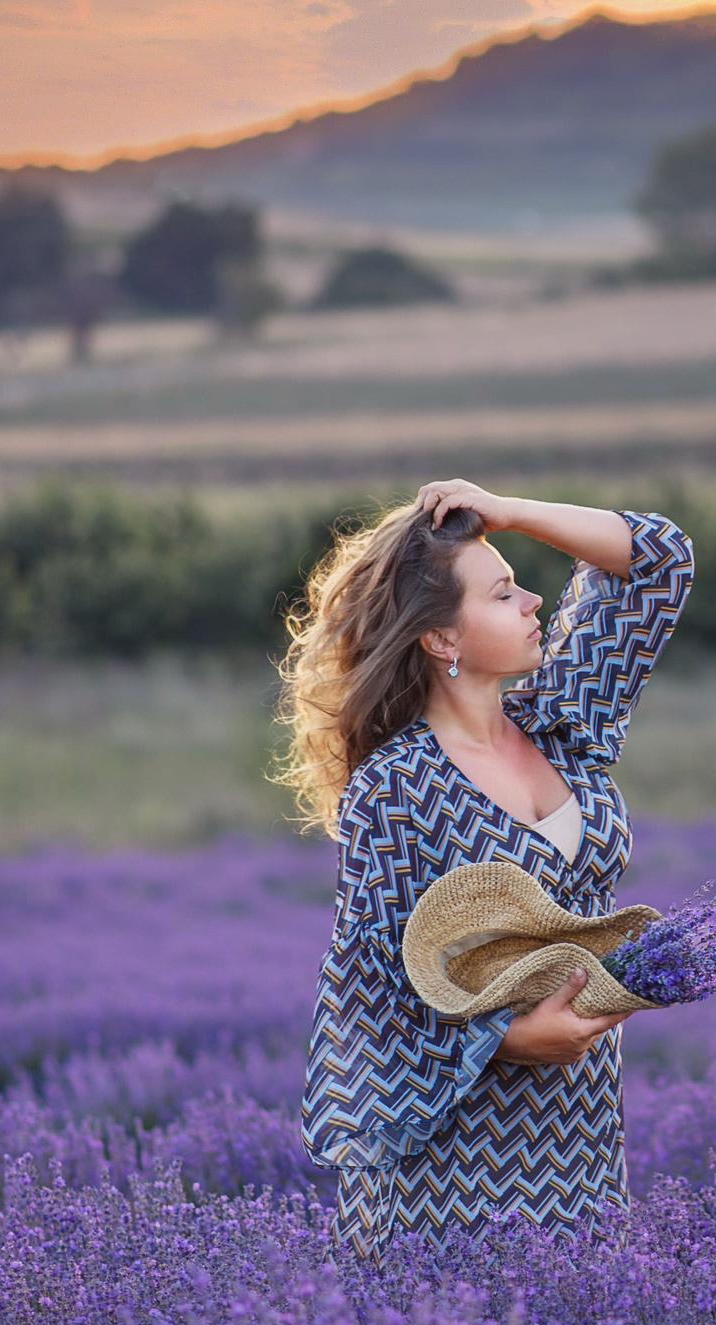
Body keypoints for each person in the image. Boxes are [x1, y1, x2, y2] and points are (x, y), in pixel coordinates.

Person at [280, 479, 691, 1253]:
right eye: (503, 594)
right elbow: (367, 989)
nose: (535, 601)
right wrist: (511, 1038)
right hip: (448, 1156)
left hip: (578, 1129)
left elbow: (660, 560)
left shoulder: (563, 726)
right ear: (442, 640)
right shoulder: (398, 785)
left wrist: (510, 512)